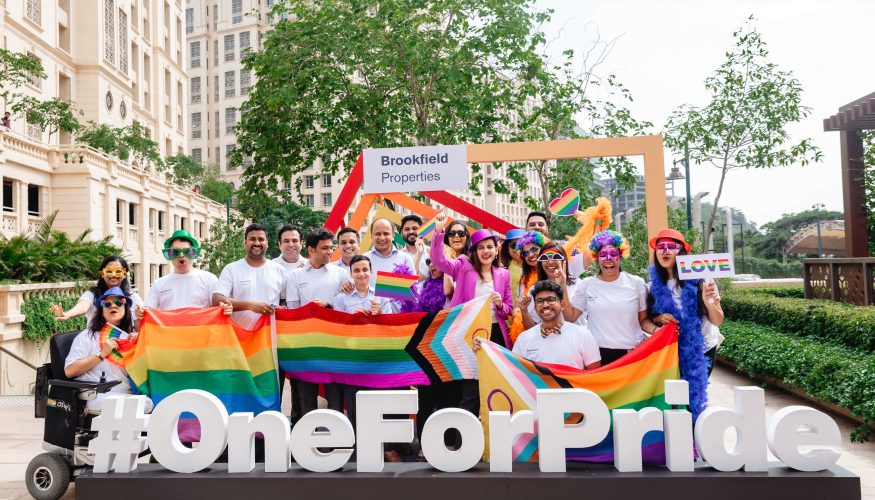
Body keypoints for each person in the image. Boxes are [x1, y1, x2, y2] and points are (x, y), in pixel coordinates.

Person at [431, 212, 512, 438]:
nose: (486, 251)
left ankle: (494, 438)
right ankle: (461, 441)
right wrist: (438, 232)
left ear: (496, 250)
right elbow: (439, 261)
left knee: (496, 386)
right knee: (469, 389)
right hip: (468, 335)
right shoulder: (463, 266)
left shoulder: (503, 274)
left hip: (494, 335)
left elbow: (508, 309)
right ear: (474, 251)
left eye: (490, 247)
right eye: (481, 247)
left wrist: (500, 305)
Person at [640, 229, 724, 375]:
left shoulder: (703, 279)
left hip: (703, 348)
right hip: (672, 350)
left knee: (694, 395)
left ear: (682, 252)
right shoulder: (652, 286)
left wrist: (708, 303)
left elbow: (717, 320)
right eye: (661, 247)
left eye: (671, 247)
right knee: (675, 395)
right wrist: (659, 318)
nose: (665, 251)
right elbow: (647, 318)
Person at [286, 228, 350, 416]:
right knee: (306, 399)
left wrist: (328, 306)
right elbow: (293, 311)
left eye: (331, 247)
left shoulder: (341, 274)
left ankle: (337, 439)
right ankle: (308, 440)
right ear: (311, 250)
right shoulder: (295, 276)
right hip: (305, 347)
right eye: (325, 248)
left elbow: (346, 309)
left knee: (335, 398)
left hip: (334, 346)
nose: (330, 252)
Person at [63, 287, 153, 413]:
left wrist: (137, 345)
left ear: (126, 308)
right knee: (141, 406)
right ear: (101, 311)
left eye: (118, 302)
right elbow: (69, 371)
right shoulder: (87, 336)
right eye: (107, 304)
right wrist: (101, 354)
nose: (113, 306)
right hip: (96, 395)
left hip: (127, 394)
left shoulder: (131, 336)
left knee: (153, 403)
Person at [476, 280, 601, 371]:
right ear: (535, 308)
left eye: (551, 299)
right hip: (536, 403)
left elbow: (593, 376)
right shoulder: (524, 338)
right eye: (540, 301)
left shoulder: (583, 335)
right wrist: (485, 350)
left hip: (574, 404)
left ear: (562, 305)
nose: (545, 305)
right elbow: (514, 372)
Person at [568, 230, 648, 366]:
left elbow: (644, 320)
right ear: (596, 258)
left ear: (621, 257)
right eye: (603, 255)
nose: (608, 259)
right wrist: (561, 282)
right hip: (597, 357)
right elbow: (570, 317)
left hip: (633, 355)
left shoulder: (636, 283)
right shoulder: (587, 284)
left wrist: (659, 331)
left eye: (613, 254)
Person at [212, 223, 287, 329]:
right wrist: (250, 305)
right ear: (245, 242)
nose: (257, 243)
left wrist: (282, 308)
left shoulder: (279, 270)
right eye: (252, 239)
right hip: (240, 335)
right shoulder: (232, 269)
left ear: (267, 243)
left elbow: (284, 300)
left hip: (270, 335)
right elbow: (217, 300)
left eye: (261, 239)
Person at [141, 230, 225, 312]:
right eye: (175, 252)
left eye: (187, 251)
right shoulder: (159, 284)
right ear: (169, 254)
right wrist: (141, 312)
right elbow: (148, 310)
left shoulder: (209, 279)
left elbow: (218, 307)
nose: (181, 255)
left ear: (193, 253)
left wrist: (225, 308)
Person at [50, 256, 143, 325]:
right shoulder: (92, 294)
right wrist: (67, 314)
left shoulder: (133, 297)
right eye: (109, 271)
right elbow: (83, 305)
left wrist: (141, 315)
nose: (114, 275)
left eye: (118, 271)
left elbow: (139, 325)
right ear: (102, 273)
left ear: (124, 274)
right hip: (96, 344)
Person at [519, 242, 583, 329]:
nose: (550, 262)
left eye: (556, 257)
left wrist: (562, 285)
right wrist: (524, 310)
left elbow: (571, 319)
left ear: (563, 260)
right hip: (549, 340)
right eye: (544, 258)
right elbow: (531, 329)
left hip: (577, 339)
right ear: (540, 263)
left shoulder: (578, 284)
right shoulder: (534, 289)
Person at [362, 218, 415, 311]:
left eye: (386, 234)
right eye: (378, 234)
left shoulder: (405, 259)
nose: (382, 238)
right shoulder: (363, 260)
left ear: (393, 236)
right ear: (371, 236)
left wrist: (383, 286)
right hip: (371, 319)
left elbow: (414, 290)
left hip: (399, 319)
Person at [499, 228, 525, 309]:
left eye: (521, 244)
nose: (518, 248)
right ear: (507, 249)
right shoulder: (501, 272)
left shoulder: (537, 268)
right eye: (514, 245)